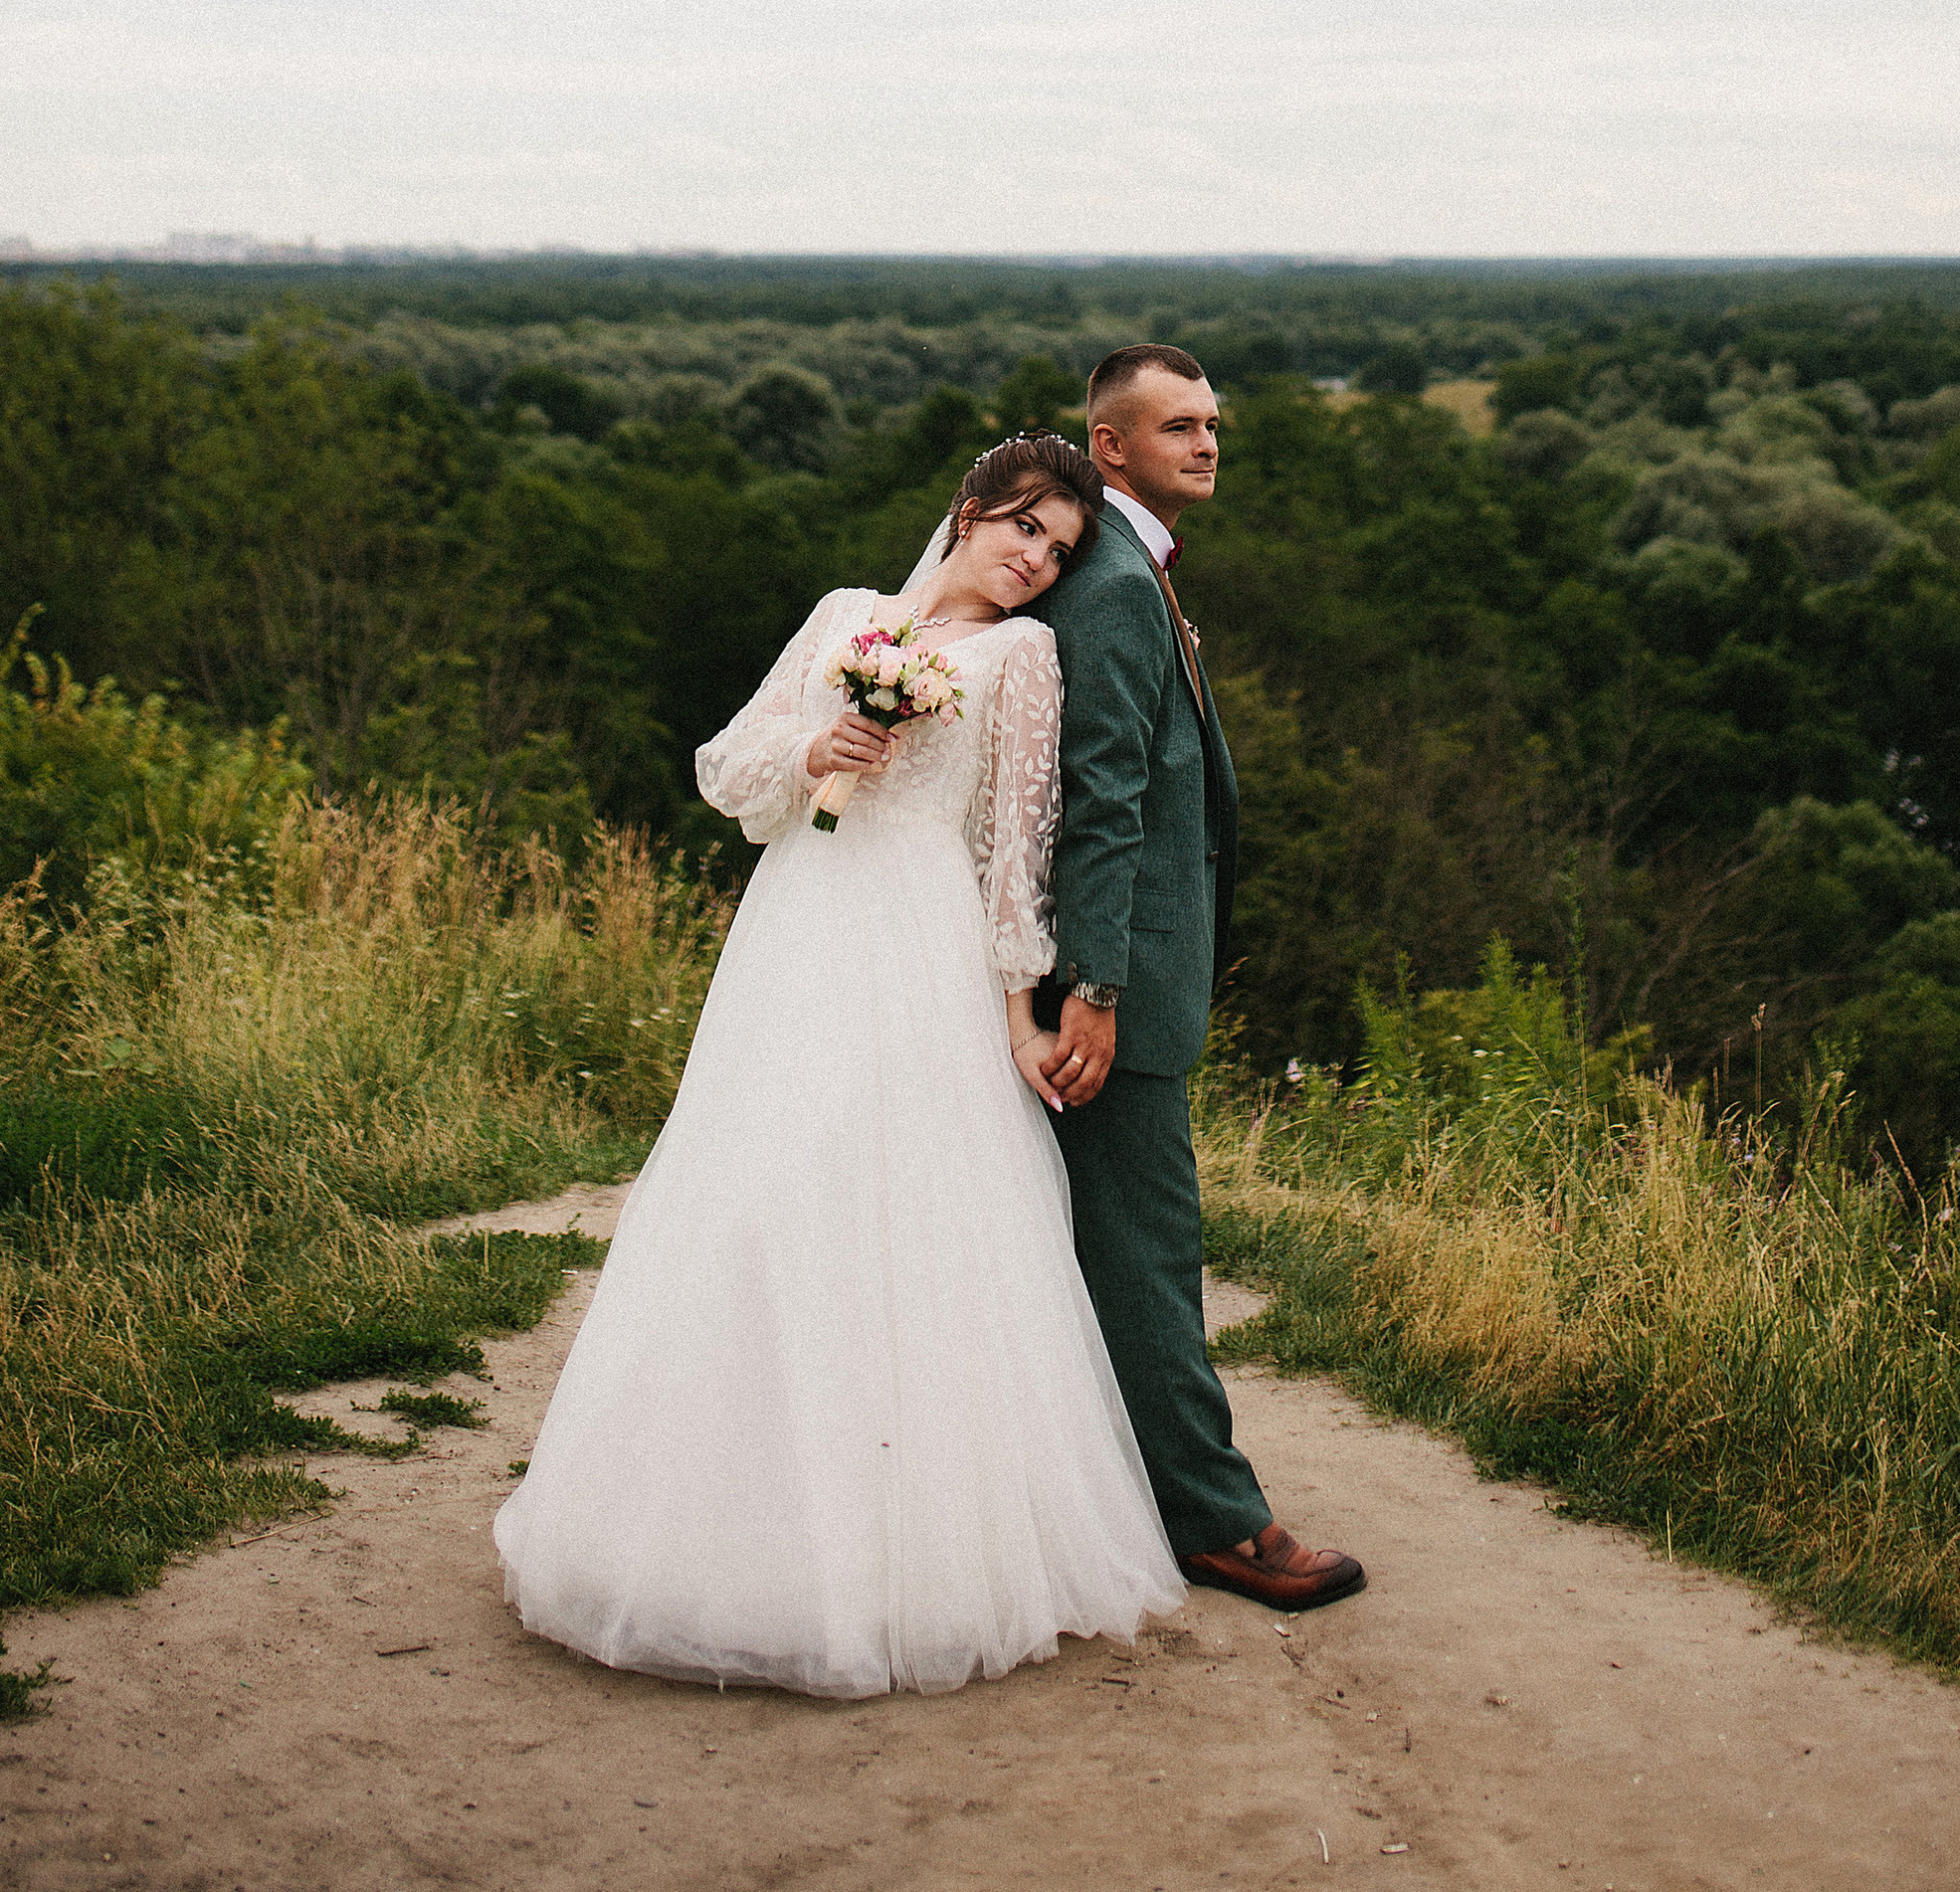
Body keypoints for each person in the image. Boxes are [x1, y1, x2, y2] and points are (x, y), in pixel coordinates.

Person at [494, 432, 1182, 1698]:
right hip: (799, 926)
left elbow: (1016, 850)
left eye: (1060, 549)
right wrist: (818, 755)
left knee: (891, 1214)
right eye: (1023, 528)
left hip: (920, 943)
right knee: (752, 1198)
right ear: (970, 511)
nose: (1036, 562)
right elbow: (729, 767)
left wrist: (1027, 1009)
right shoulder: (843, 616)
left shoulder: (1024, 658)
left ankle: (901, 1555)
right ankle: (704, 1528)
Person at [1034, 343, 1365, 1610]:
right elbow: (1098, 805)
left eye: (1214, 421)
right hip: (1115, 990)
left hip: (1116, 975)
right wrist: (1098, 992)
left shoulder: (1124, 567)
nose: (1208, 442)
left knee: (1105, 1241)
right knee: (1147, 1253)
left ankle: (1122, 1484)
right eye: (1178, 425)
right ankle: (1215, 1521)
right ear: (1108, 447)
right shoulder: (1116, 583)